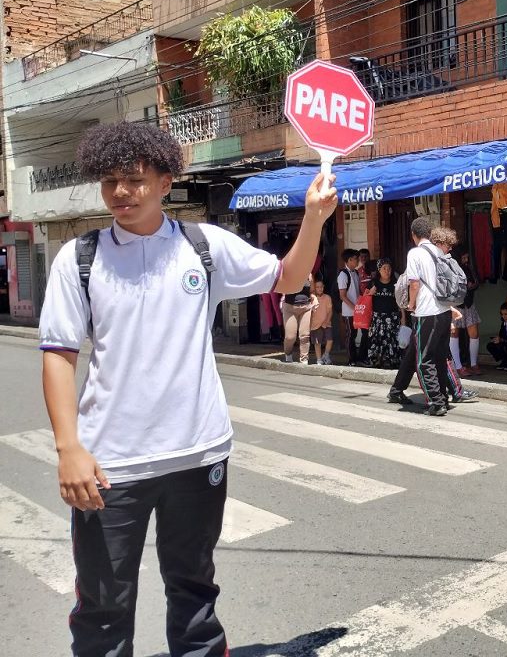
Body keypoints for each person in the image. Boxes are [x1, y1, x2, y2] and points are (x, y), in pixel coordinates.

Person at [37, 121, 338, 657]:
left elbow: (287, 279)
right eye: (108, 183)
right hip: (111, 467)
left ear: (166, 180)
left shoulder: (203, 246)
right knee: (102, 610)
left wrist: (314, 219)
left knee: (195, 597)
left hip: (198, 456)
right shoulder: (79, 259)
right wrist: (69, 448)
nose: (120, 194)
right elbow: (59, 355)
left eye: (133, 179)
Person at [387, 218, 452, 416]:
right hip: (444, 310)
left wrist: (411, 304)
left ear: (413, 235)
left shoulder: (415, 253)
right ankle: (441, 397)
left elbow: (414, 283)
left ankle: (436, 401)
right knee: (439, 356)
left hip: (426, 312)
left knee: (424, 359)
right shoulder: (439, 251)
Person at [451, 245, 482, 376]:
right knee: (454, 333)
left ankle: (474, 364)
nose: (466, 259)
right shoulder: (452, 268)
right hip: (456, 304)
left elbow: (476, 281)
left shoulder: (469, 267)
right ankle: (457, 366)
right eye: (463, 256)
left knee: (474, 333)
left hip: (469, 304)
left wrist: (472, 285)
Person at [366, 258, 401, 369]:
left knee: (392, 340)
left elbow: (400, 303)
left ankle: (391, 361)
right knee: (377, 339)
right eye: (384, 268)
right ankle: (376, 361)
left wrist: (403, 319)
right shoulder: (373, 283)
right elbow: (363, 300)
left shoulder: (395, 283)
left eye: (389, 268)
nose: (387, 271)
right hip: (377, 318)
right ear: (379, 270)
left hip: (392, 318)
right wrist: (370, 293)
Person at [337, 249, 362, 366]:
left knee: (355, 334)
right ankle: (351, 360)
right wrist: (354, 307)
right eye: (356, 259)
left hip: (356, 311)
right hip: (348, 312)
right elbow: (342, 296)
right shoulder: (343, 274)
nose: (358, 261)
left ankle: (356, 358)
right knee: (350, 335)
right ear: (349, 260)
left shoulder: (356, 273)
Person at [281, 273, 313, 364]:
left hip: (305, 307)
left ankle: (304, 359)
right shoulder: (288, 271)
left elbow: (313, 289)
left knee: (305, 335)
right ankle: (288, 353)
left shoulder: (308, 272)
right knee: (290, 337)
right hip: (290, 307)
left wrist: (310, 280)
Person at [310, 278, 334, 365]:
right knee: (317, 343)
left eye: (321, 287)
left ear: (323, 287)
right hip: (315, 324)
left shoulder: (327, 297)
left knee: (330, 340)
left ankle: (326, 355)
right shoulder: (312, 298)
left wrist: (326, 321)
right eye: (317, 287)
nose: (320, 289)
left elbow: (330, 311)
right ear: (314, 288)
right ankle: (319, 359)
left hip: (326, 323)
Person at [487, 302, 507, 368]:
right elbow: (501, 335)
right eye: (502, 314)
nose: (503, 316)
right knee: (490, 346)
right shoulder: (504, 324)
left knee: (505, 347)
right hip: (506, 343)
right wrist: (497, 339)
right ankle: (504, 361)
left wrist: (502, 340)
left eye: (506, 314)